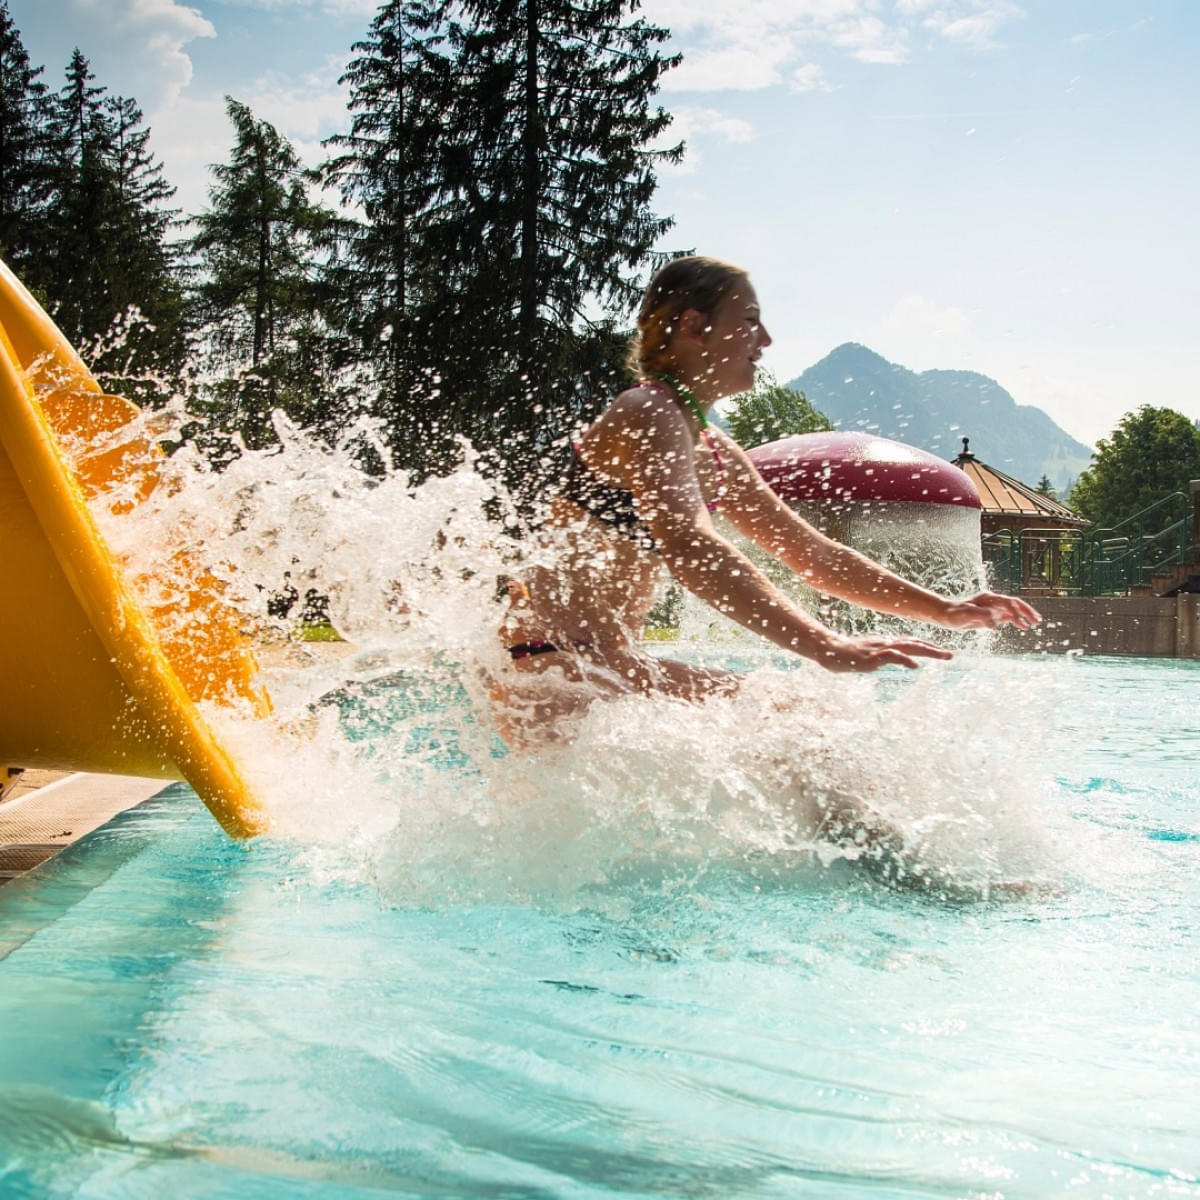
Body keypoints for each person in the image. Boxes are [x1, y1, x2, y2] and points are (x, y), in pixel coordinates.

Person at [491, 255, 1039, 744]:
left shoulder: (713, 447)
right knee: (792, 725)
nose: (766, 339)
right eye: (749, 320)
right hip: (548, 668)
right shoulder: (647, 411)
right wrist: (824, 645)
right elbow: (689, 547)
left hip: (607, 666)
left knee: (799, 719)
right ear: (692, 326)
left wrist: (943, 609)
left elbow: (816, 557)